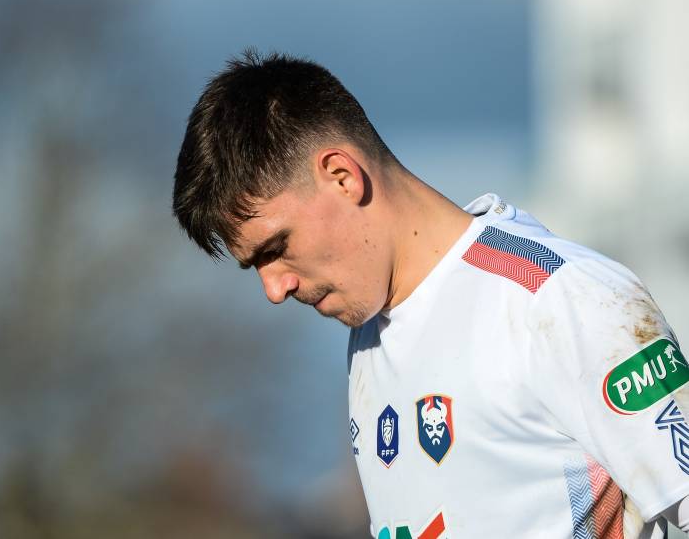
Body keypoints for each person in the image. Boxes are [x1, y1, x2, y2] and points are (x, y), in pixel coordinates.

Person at [171, 50, 689, 538]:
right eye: (254, 266)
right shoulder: (371, 333)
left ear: (342, 176)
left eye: (276, 248)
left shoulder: (558, 298)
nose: (274, 288)